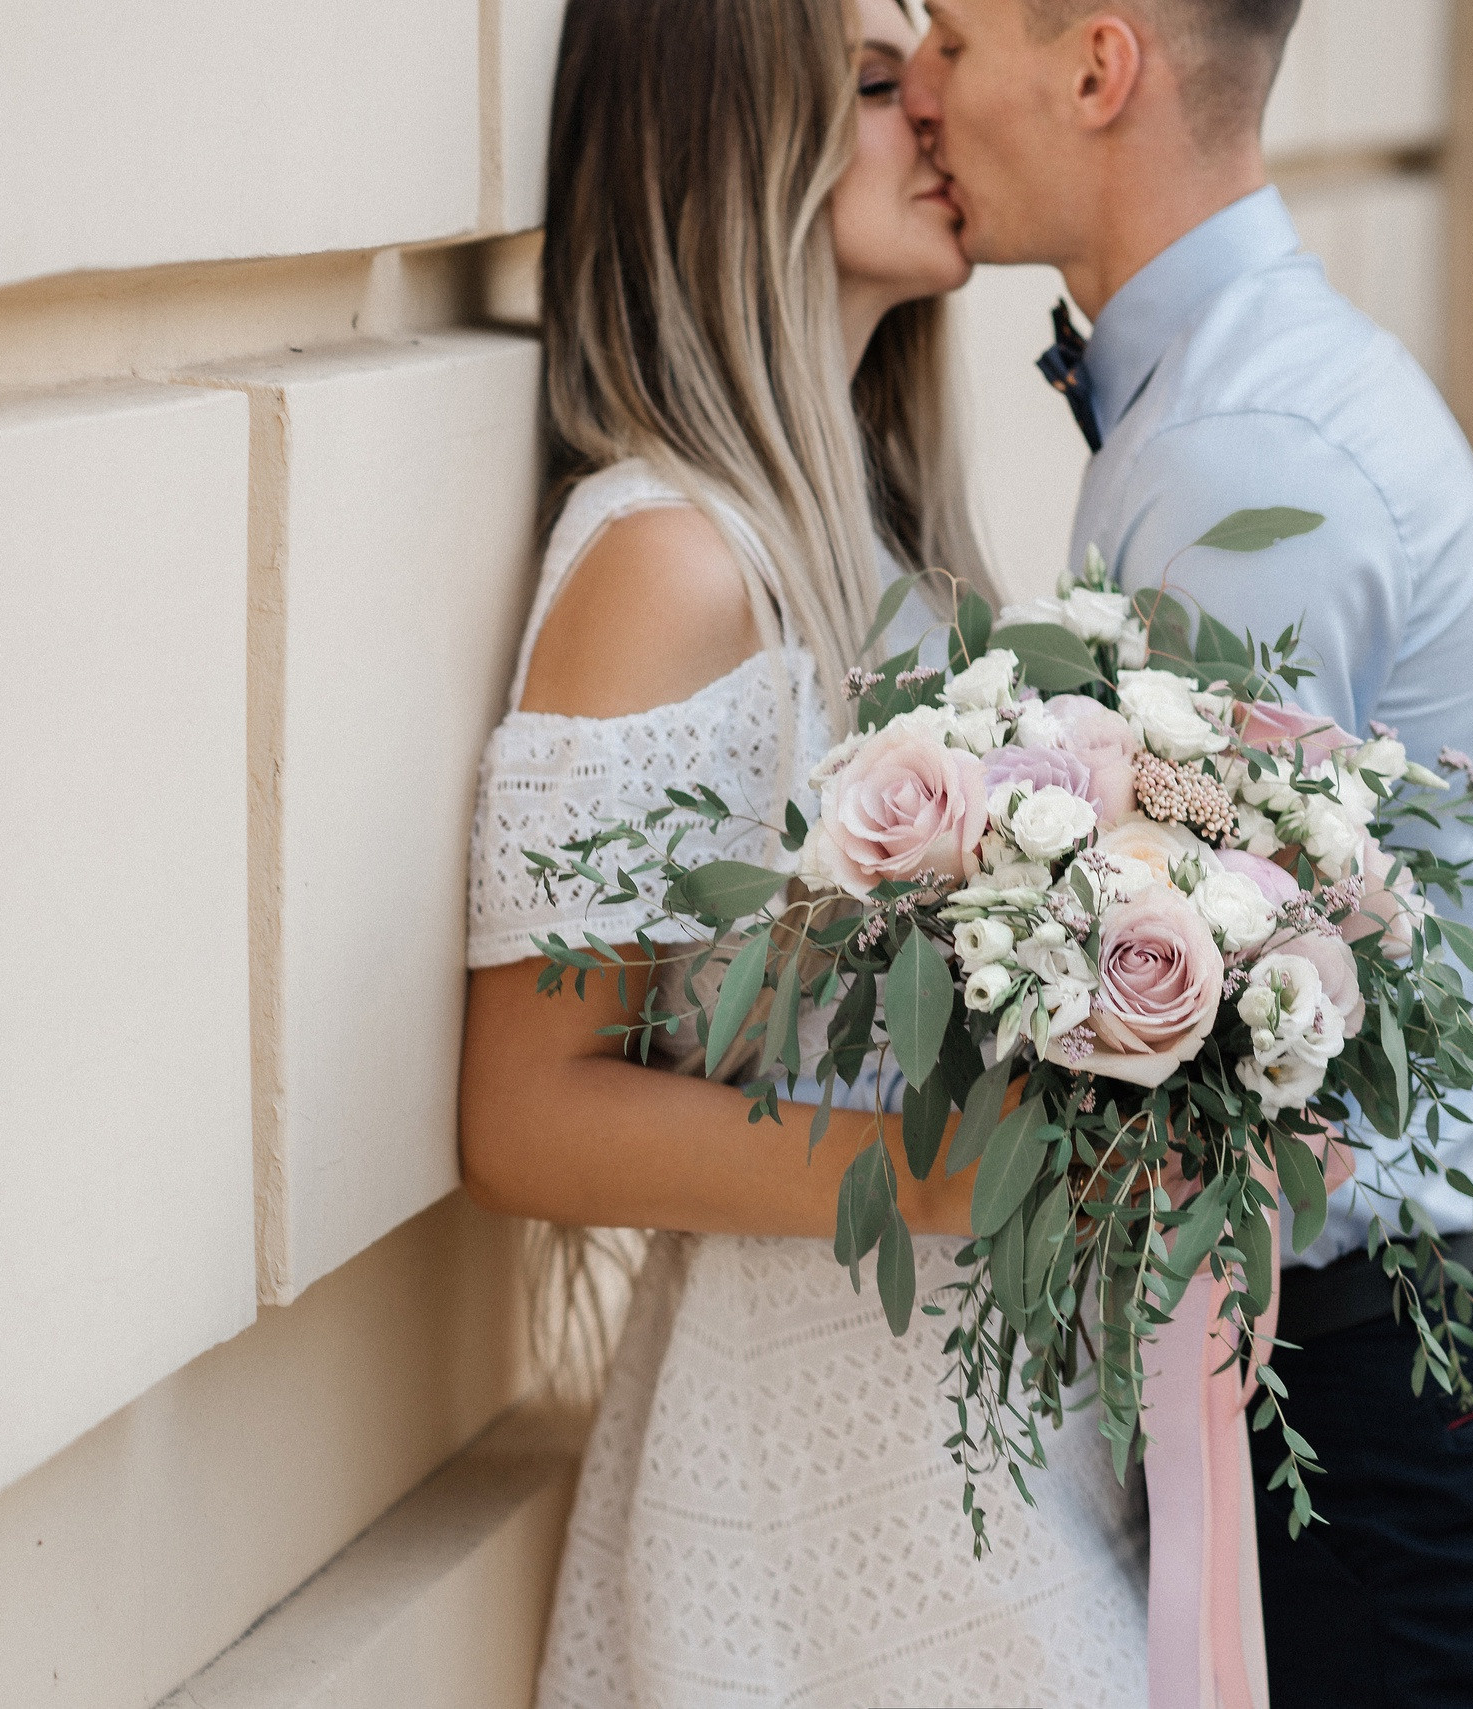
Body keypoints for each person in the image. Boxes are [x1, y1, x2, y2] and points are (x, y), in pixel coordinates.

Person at [457, 1, 1146, 1703]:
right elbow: (525, 1108)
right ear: (724, 148)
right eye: (867, 82)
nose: (938, 106)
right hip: (809, 1473)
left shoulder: (891, 540)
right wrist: (924, 1170)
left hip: (985, 1442)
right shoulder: (671, 561)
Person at [903, 4, 1473, 1705]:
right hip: (1369, 1368)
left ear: (1097, 67)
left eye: (952, 37)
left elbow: (1188, 1024)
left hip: (1353, 1402)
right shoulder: (1245, 391)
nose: (916, 88)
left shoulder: (1234, 460)